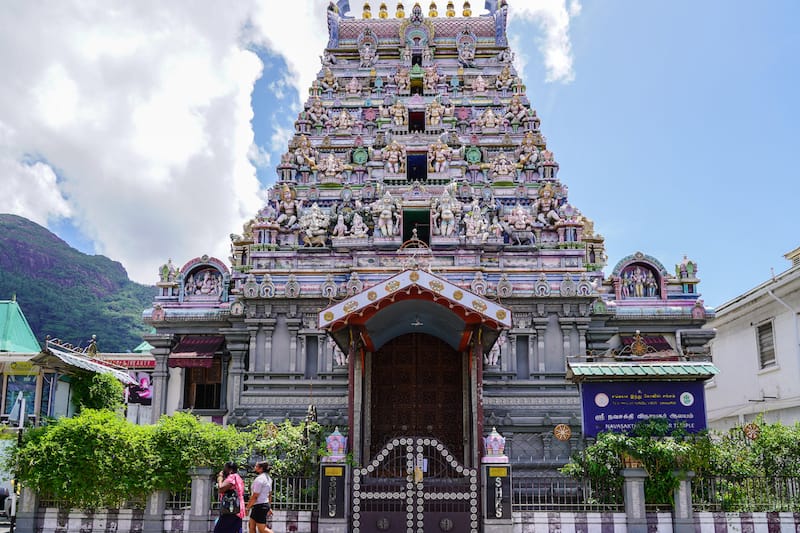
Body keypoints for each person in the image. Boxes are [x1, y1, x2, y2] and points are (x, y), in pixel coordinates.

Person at [215, 461, 245, 533]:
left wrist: (220, 478)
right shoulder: (238, 477)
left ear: (230, 470)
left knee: (219, 530)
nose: (223, 470)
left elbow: (221, 489)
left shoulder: (232, 477)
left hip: (229, 509)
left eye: (225, 468)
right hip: (237, 508)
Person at [246, 461, 274, 533]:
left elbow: (255, 496)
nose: (255, 468)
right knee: (251, 526)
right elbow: (270, 494)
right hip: (261, 505)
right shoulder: (268, 478)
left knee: (262, 529)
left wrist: (247, 507)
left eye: (256, 466)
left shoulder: (260, 479)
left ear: (261, 468)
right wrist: (269, 506)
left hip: (260, 506)